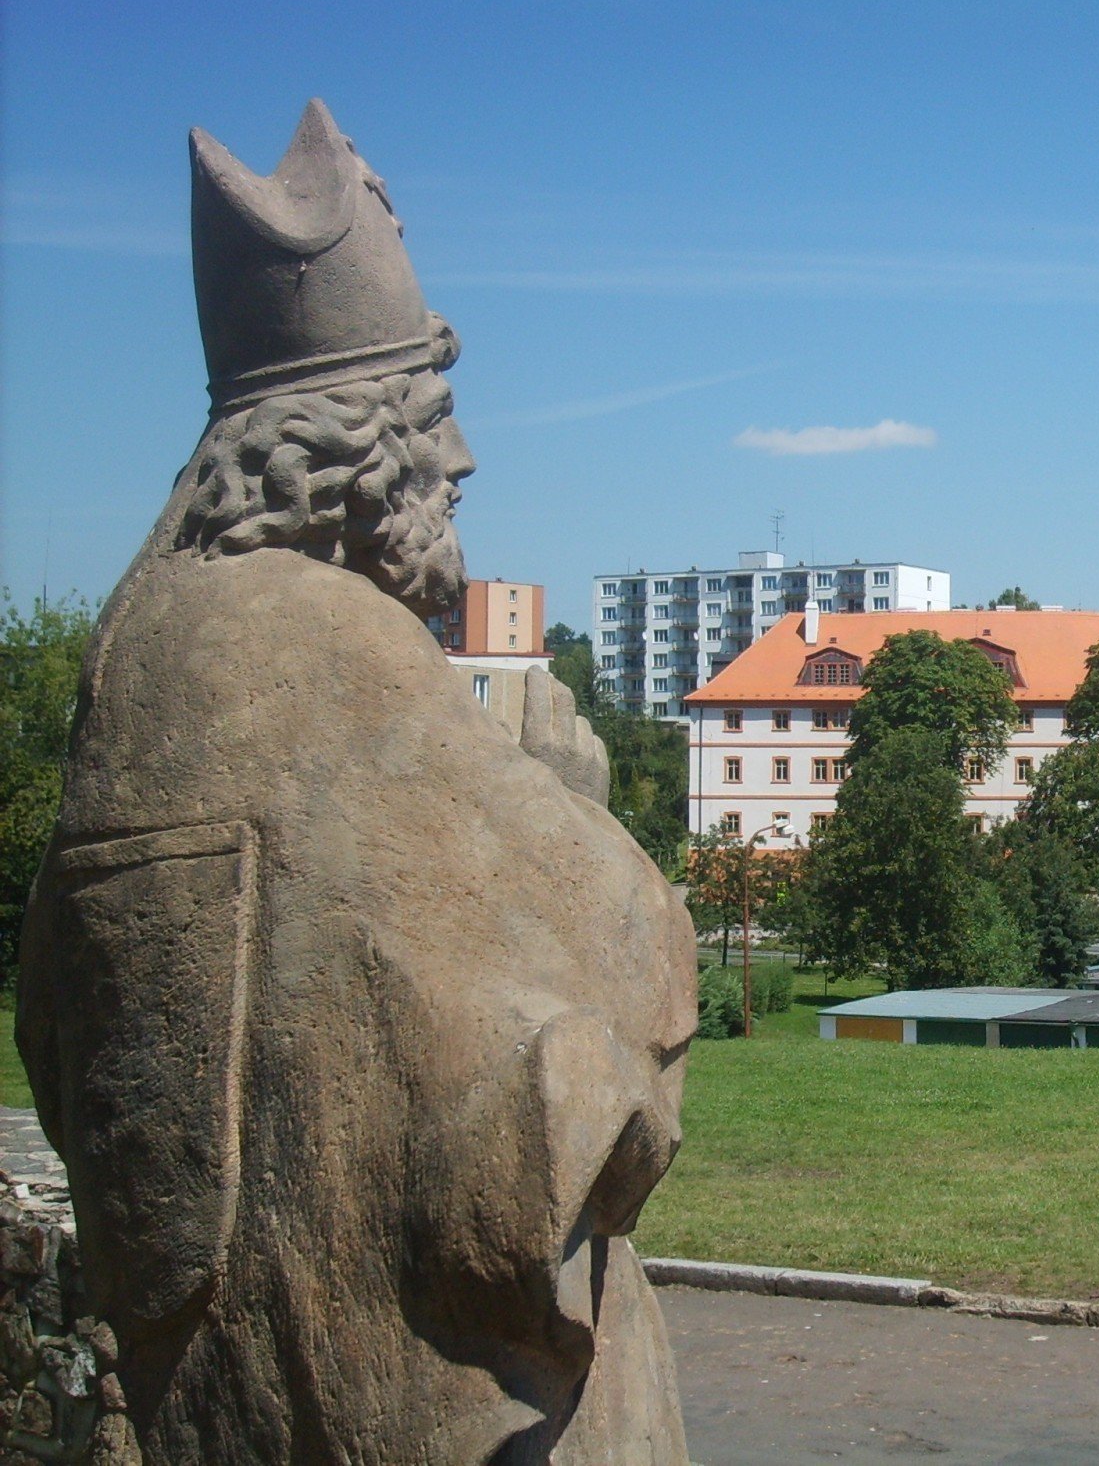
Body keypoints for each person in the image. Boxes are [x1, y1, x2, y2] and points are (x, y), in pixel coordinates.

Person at [18, 102, 693, 1464]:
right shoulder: (329, 652)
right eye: (435, 419)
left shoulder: (143, 645)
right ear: (352, 447)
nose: (463, 461)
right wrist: (569, 793)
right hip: (414, 1398)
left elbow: (54, 1024)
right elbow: (624, 995)